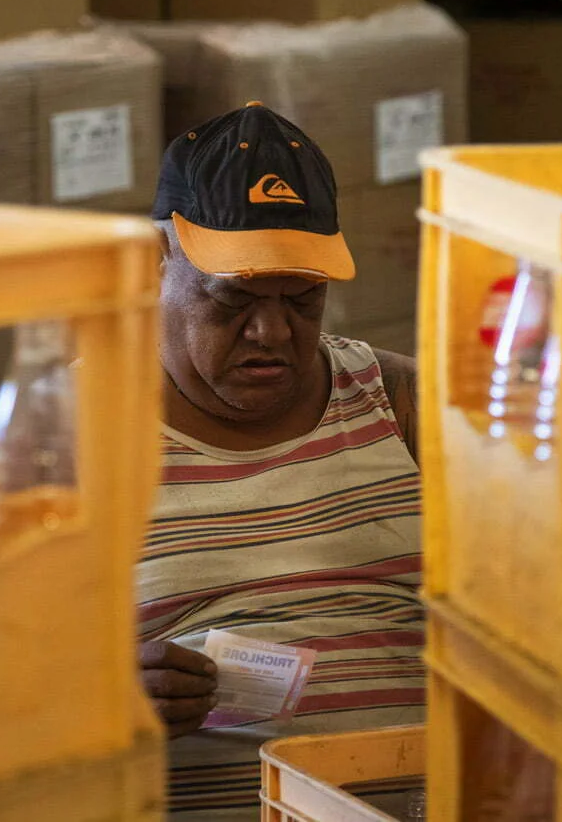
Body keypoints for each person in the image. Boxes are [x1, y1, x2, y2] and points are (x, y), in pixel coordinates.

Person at [137, 102, 424, 819]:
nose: (272, 331)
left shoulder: (401, 402)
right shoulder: (77, 438)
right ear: (155, 262)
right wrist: (92, 700)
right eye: (231, 299)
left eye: (303, 299)